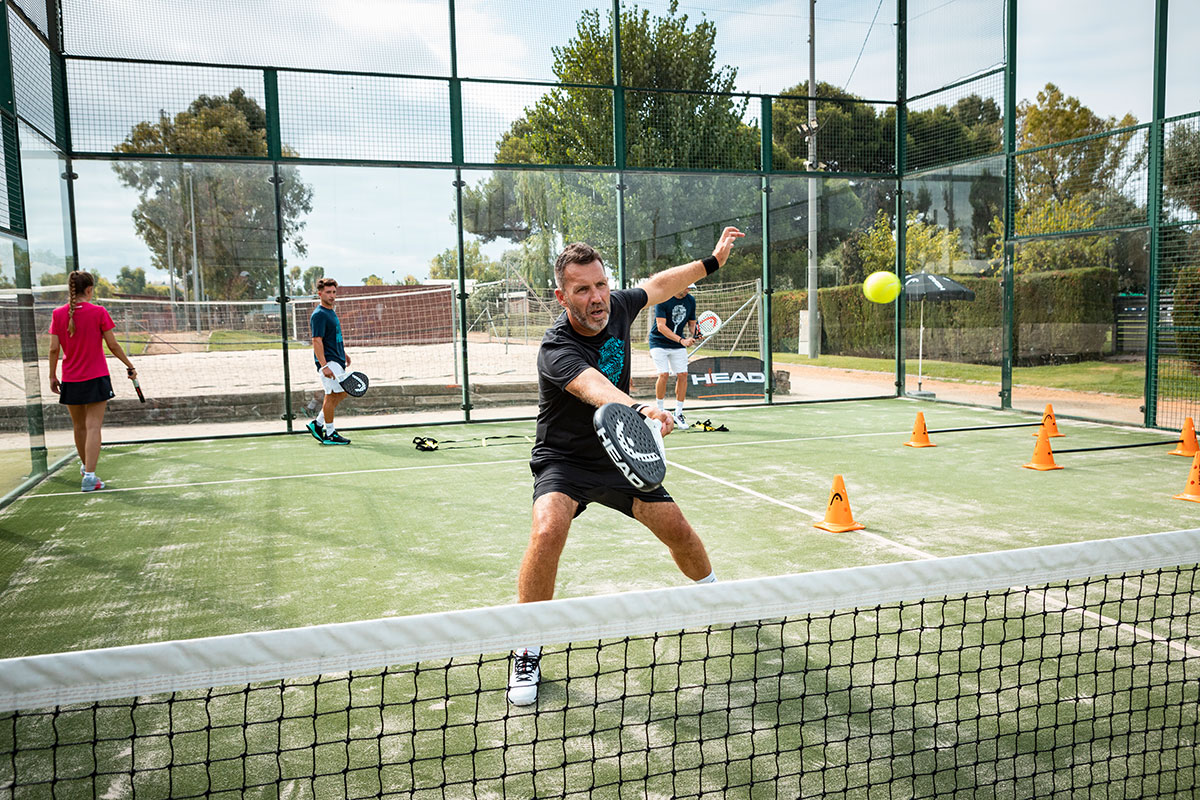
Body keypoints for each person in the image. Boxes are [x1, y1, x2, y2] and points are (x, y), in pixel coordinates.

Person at [508, 226, 745, 706]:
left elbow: (660, 284)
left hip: (620, 457)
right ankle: (526, 646)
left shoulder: (616, 305)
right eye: (582, 289)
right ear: (562, 297)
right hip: (566, 459)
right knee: (547, 529)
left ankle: (713, 597)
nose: (596, 298)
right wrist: (642, 411)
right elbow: (595, 388)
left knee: (677, 527)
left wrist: (712, 262)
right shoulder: (556, 349)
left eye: (601, 285)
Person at [47, 270, 138, 492]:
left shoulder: (58, 314)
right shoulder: (98, 312)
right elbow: (113, 345)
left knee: (79, 426)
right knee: (93, 426)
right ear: (89, 290)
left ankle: (87, 469)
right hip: (96, 377)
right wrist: (130, 366)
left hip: (70, 379)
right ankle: (89, 476)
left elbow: (53, 349)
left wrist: (52, 375)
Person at [307, 277, 352, 445]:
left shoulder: (331, 312)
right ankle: (330, 433)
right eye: (328, 292)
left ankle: (318, 424)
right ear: (320, 294)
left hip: (337, 359)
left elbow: (333, 338)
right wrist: (324, 365)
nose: (332, 295)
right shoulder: (319, 314)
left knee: (342, 392)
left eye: (334, 292)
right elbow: (317, 341)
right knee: (332, 395)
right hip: (329, 362)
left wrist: (344, 353)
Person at [648, 282, 699, 426]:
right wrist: (681, 340)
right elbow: (661, 326)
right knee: (663, 374)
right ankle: (660, 411)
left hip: (678, 345)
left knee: (683, 375)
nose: (689, 290)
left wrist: (696, 333)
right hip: (658, 343)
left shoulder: (690, 300)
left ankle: (679, 413)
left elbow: (691, 324)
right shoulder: (663, 299)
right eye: (687, 287)